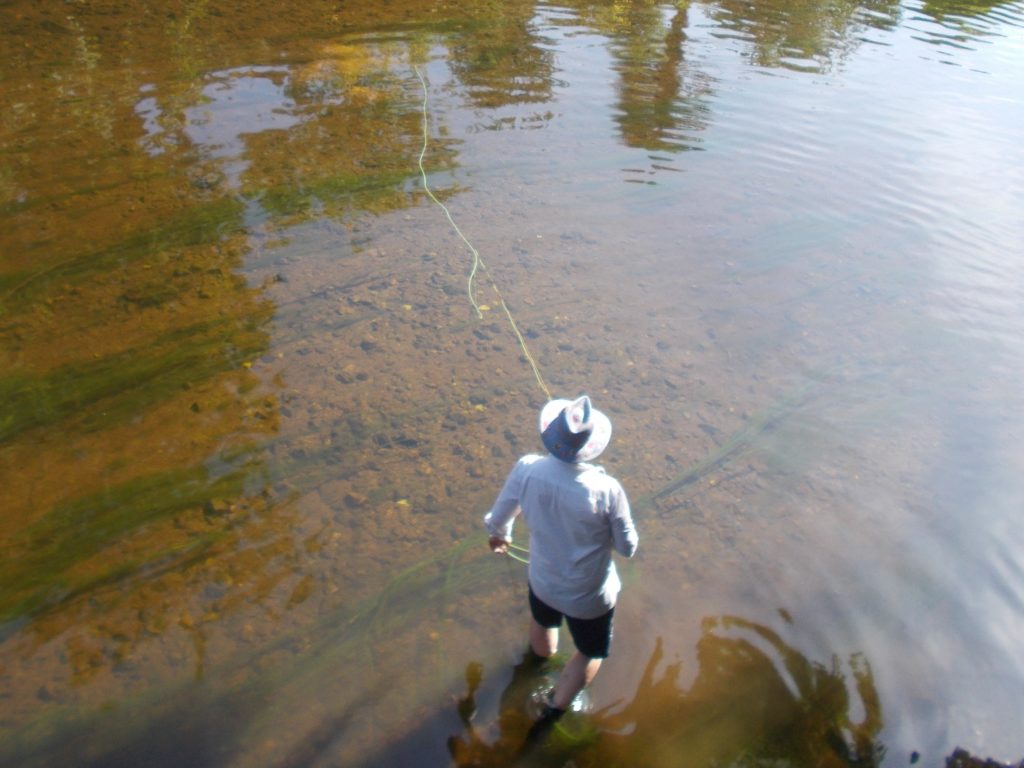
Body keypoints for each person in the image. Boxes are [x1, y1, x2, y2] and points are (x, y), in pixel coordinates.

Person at [483, 394, 639, 741]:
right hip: (589, 596)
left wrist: (499, 537)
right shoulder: (607, 490)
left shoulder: (527, 468)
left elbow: (498, 519)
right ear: (590, 445)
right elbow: (627, 548)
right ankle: (554, 709)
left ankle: (538, 665)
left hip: (542, 581)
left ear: (551, 434)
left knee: (543, 621)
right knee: (590, 650)